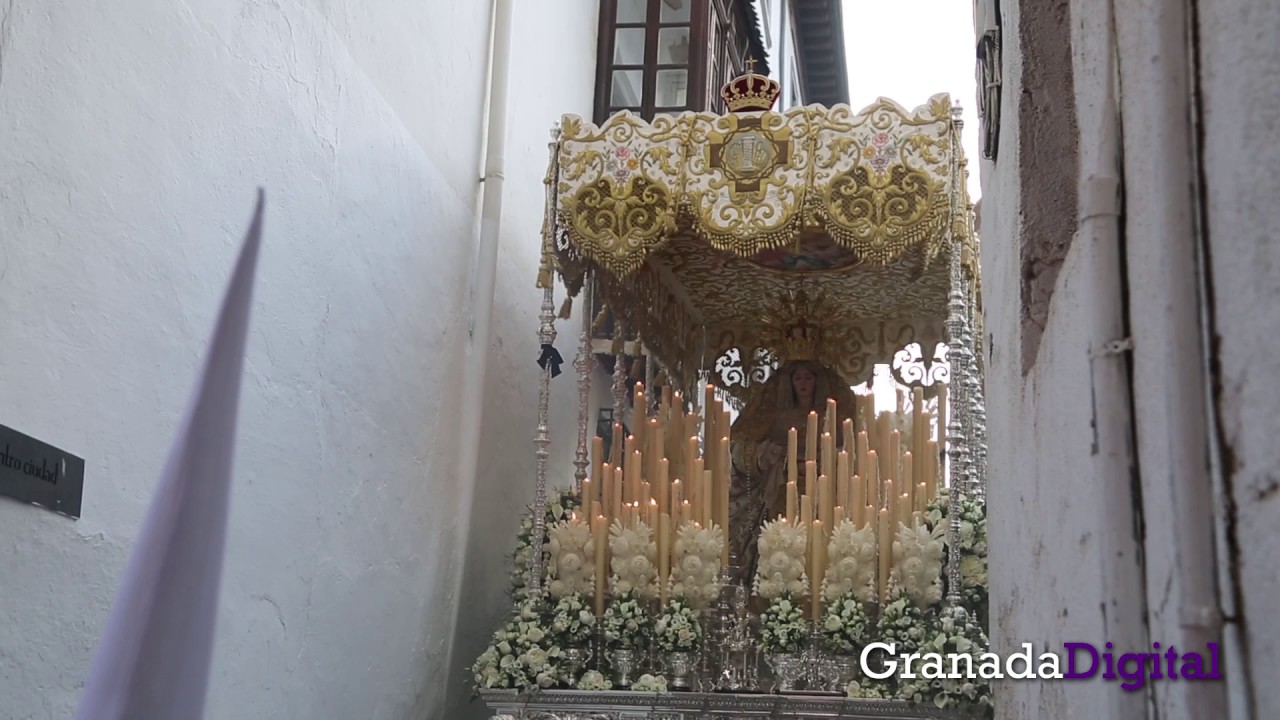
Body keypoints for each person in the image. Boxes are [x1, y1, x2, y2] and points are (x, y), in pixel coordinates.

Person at [725, 360, 856, 586]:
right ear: (789, 383)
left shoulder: (832, 417)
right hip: (782, 491)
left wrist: (825, 461)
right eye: (798, 378)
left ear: (817, 381)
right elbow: (741, 445)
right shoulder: (777, 417)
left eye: (808, 377)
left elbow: (850, 450)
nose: (803, 383)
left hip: (824, 493)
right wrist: (775, 455)